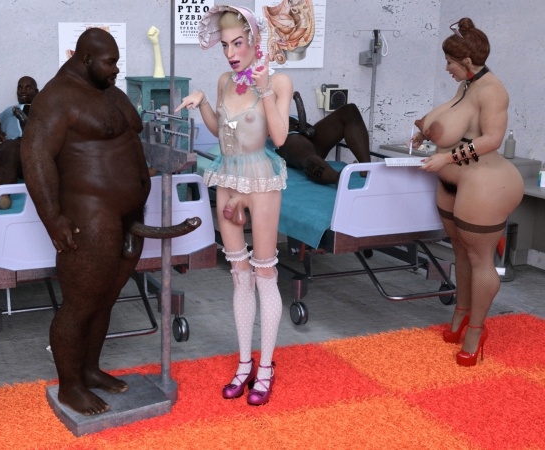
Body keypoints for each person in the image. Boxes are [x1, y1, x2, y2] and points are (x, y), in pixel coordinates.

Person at [20, 28, 153, 416]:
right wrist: (52, 218)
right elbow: (35, 156)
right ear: (85, 59)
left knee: (106, 298)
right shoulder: (56, 97)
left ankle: (90, 370)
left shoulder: (109, 91)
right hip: (90, 215)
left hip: (129, 215)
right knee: (79, 305)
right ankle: (70, 386)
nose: (116, 69)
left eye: (116, 62)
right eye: (110, 62)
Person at [176, 5, 292, 406]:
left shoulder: (279, 81)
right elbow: (221, 132)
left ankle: (267, 367)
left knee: (264, 274)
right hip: (227, 177)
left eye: (238, 43)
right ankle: (245, 363)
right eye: (225, 45)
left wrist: (264, 90)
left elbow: (281, 138)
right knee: (239, 275)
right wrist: (203, 103)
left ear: (254, 41)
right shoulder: (224, 80)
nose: (230, 53)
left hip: (260, 180)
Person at [412, 18, 523, 367]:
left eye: (450, 62)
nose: (447, 68)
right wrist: (425, 132)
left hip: (484, 183)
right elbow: (455, 117)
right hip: (455, 179)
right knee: (459, 250)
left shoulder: (492, 91)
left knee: (479, 258)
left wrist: (446, 157)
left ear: (468, 62)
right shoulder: (468, 85)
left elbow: (492, 140)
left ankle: (476, 330)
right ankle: (461, 313)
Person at [273, 101, 371, 185]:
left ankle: (367, 169)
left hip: (306, 134)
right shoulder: (266, 113)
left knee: (349, 110)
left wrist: (304, 127)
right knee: (303, 148)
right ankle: (337, 178)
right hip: (286, 140)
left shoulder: (287, 113)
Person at [0, 76, 39, 209]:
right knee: (11, 146)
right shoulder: (8, 112)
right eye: (19, 88)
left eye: (28, 88)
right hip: (14, 159)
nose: (23, 91)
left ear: (37, 91)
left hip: (37, 158)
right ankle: (2, 195)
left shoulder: (45, 111)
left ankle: (27, 127)